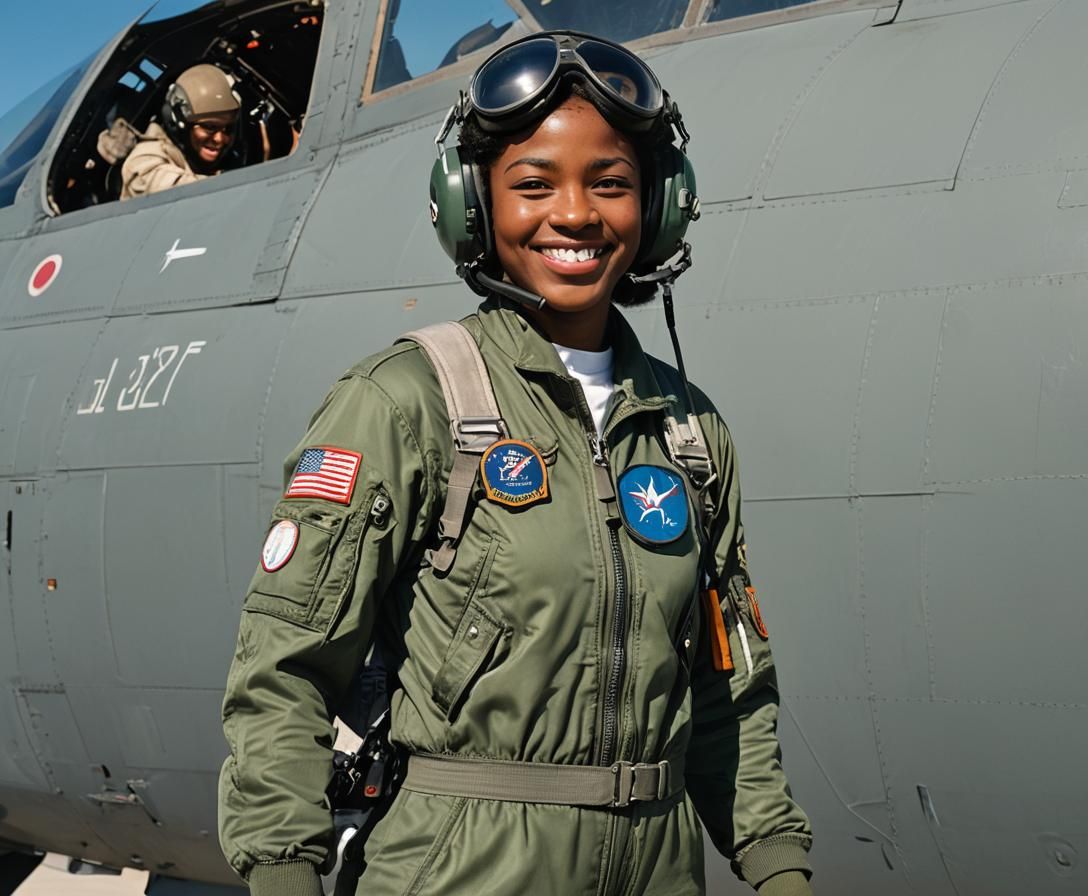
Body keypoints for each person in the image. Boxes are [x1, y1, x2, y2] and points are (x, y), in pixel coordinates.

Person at [218, 31, 813, 896]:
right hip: (462, 871)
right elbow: (285, 668)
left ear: (659, 204)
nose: (574, 214)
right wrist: (282, 871)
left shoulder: (687, 433)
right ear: (471, 205)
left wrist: (777, 866)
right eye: (532, 184)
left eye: (609, 183)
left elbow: (729, 695)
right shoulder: (406, 401)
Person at [120, 63, 240, 199]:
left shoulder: (201, 159)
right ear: (180, 122)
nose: (220, 139)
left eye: (227, 128)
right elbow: (173, 191)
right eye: (210, 127)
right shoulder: (145, 158)